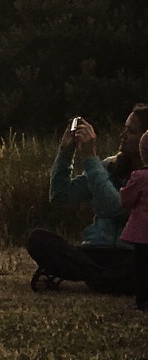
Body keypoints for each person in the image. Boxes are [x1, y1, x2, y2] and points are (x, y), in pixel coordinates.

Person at [27, 106, 147, 292]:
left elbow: (117, 209)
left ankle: (95, 277)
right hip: (94, 251)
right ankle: (105, 278)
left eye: (131, 131)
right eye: (125, 128)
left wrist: (90, 158)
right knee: (37, 239)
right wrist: (66, 153)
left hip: (130, 253)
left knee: (139, 264)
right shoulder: (108, 167)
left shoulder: (138, 177)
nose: (122, 135)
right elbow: (60, 197)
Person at [121, 164, 148, 312]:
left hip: (143, 230)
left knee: (141, 267)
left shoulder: (140, 176)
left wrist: (122, 191)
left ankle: (142, 300)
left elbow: (126, 201)